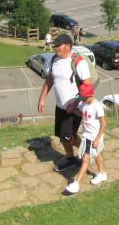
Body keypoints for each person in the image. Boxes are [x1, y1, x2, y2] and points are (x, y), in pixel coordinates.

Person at [38, 34, 93, 172]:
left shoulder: (78, 62)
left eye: (58, 45)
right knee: (63, 137)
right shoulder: (54, 59)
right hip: (60, 107)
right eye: (55, 45)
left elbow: (88, 87)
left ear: (67, 46)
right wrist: (42, 98)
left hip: (74, 108)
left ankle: (88, 150)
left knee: (70, 137)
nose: (55, 47)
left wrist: (75, 104)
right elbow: (50, 80)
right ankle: (71, 159)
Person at [65, 83, 107, 194]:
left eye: (83, 97)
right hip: (87, 136)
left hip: (94, 137)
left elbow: (104, 124)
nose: (81, 99)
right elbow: (83, 113)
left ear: (90, 96)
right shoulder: (83, 104)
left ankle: (76, 183)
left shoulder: (97, 106)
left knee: (85, 159)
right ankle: (102, 173)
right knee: (97, 154)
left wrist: (98, 139)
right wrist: (73, 110)